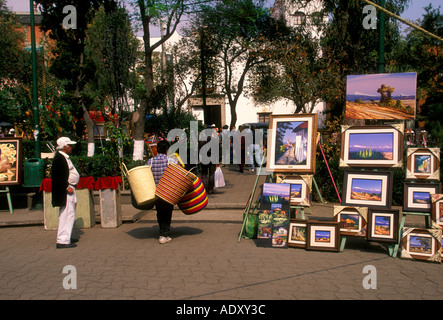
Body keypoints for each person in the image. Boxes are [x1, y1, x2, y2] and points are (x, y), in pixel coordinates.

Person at [146, 140, 178, 244]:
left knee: (159, 212)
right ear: (166, 150)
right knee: (168, 212)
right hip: (168, 192)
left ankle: (162, 230)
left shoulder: (150, 161)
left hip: (155, 192)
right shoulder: (172, 161)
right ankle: (164, 234)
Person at [51, 137, 79, 249]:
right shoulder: (59, 158)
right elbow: (58, 176)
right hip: (66, 191)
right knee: (66, 215)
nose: (71, 148)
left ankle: (66, 236)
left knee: (69, 214)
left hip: (69, 190)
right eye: (70, 146)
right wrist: (67, 187)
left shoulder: (63, 157)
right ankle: (62, 240)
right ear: (65, 147)